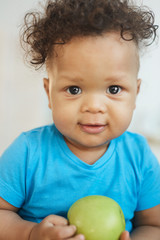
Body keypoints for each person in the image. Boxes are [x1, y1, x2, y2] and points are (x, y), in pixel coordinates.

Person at [0, 0, 160, 239]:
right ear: (49, 93)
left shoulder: (139, 156)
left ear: (136, 93)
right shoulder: (27, 152)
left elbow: (153, 226)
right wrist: (32, 233)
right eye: (74, 89)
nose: (94, 107)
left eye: (114, 89)